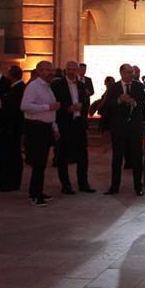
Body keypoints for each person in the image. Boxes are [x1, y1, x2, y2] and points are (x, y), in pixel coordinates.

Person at [103, 63, 145, 195]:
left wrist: (134, 103)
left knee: (137, 157)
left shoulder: (139, 86)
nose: (131, 75)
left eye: (132, 72)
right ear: (121, 73)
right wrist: (119, 100)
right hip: (118, 128)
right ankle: (114, 187)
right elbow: (107, 105)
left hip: (135, 127)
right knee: (117, 158)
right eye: (128, 72)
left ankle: (138, 186)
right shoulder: (114, 87)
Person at [20, 60, 60, 207]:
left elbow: (52, 110)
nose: (52, 73)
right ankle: (35, 195)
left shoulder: (47, 87)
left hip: (45, 128)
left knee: (42, 163)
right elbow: (25, 106)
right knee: (38, 162)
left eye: (52, 70)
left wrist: (54, 127)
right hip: (36, 128)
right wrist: (48, 106)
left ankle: (38, 191)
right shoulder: (33, 86)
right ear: (39, 71)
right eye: (48, 70)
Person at [52, 60, 94, 195]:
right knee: (62, 155)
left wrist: (82, 110)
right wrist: (67, 109)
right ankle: (66, 185)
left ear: (77, 71)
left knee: (83, 155)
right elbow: (54, 104)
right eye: (68, 69)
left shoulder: (82, 85)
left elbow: (86, 103)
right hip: (64, 123)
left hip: (79, 123)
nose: (70, 72)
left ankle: (83, 183)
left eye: (73, 70)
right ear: (65, 70)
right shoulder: (57, 85)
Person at [0, 65, 25, 191]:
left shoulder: (18, 89)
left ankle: (12, 182)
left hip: (11, 129)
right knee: (9, 155)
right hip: (10, 128)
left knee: (12, 156)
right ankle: (6, 180)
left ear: (10, 75)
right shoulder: (16, 88)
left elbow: (13, 111)